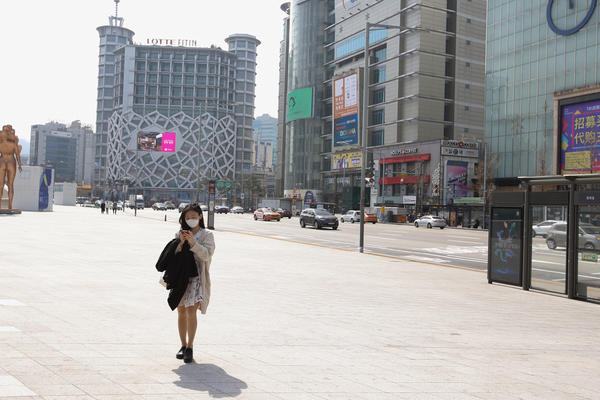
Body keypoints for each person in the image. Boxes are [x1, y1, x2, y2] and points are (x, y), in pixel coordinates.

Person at [173, 203, 215, 363]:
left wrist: (193, 243)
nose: (190, 220)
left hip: (197, 278)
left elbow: (207, 255)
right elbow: (173, 255)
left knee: (191, 310)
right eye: (187, 217)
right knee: (181, 311)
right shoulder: (180, 233)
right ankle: (182, 345)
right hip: (181, 278)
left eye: (193, 217)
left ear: (200, 217)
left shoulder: (207, 235)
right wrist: (181, 243)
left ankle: (190, 346)